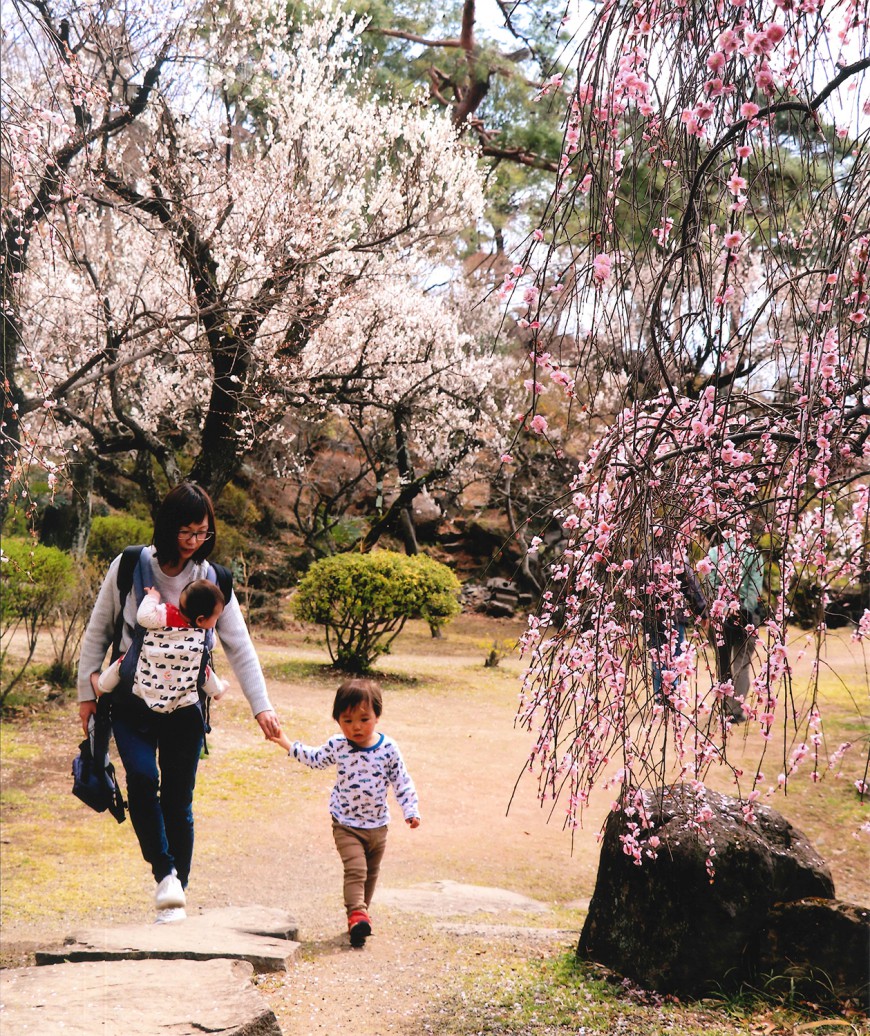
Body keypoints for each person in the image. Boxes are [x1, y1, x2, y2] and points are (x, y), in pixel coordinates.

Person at [78, 482, 280, 923]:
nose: (194, 542)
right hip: (132, 703)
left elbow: (239, 647)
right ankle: (165, 873)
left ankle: (177, 893)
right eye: (187, 532)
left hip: (186, 707)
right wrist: (85, 696)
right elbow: (98, 631)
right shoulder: (131, 566)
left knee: (178, 800)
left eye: (202, 533)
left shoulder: (214, 580)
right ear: (168, 529)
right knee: (143, 780)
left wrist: (261, 707)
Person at [268, 678, 420, 948]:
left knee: (370, 874)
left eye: (364, 719)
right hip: (346, 825)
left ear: (377, 715)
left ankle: (360, 920)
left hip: (378, 826)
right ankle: (357, 914)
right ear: (337, 721)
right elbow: (314, 759)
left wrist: (411, 810)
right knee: (356, 870)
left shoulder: (388, 749)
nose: (356, 727)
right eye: (347, 720)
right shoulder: (338, 745)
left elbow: (402, 781)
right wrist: (285, 742)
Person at [97, 580, 228, 705]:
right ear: (200, 620)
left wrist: (152, 597)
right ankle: (218, 690)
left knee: (122, 663)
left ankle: (102, 686)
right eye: (216, 618)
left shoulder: (167, 615)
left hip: (150, 675)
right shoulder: (203, 636)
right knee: (204, 671)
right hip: (180, 682)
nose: (215, 622)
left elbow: (143, 617)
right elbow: (211, 645)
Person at [704, 531, 766, 723]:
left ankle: (725, 705)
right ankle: (735, 710)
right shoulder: (754, 555)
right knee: (741, 661)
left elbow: (709, 584)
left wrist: (723, 608)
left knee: (723, 662)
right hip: (745, 616)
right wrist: (741, 609)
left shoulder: (714, 553)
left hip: (719, 615)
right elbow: (754, 588)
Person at [645, 559, 708, 703]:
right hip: (675, 615)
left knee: (657, 656)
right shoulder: (678, 559)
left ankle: (660, 696)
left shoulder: (644, 561)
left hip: (651, 616)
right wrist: (702, 611)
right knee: (675, 656)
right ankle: (672, 693)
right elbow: (692, 587)